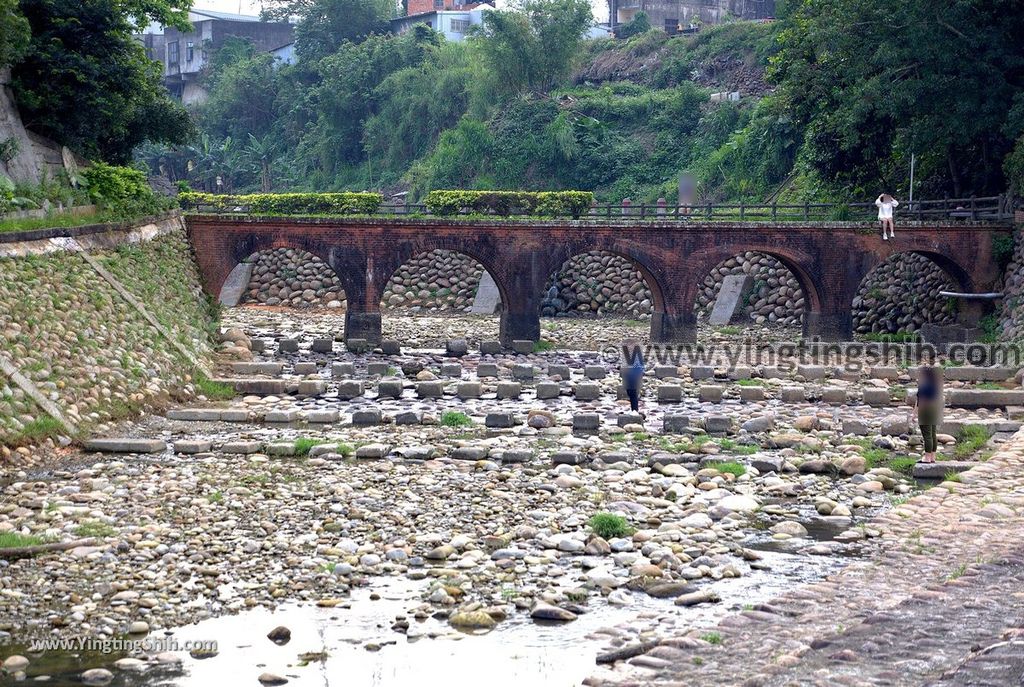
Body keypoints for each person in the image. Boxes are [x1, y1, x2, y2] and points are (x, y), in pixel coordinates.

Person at [912, 365, 943, 463]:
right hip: (934, 409)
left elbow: (920, 401)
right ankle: (933, 457)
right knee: (933, 434)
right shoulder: (935, 385)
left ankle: (927, 457)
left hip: (925, 410)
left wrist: (915, 413)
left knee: (927, 435)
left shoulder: (923, 386)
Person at [623, 346, 645, 414]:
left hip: (633, 377)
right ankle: (633, 410)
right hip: (628, 377)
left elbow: (640, 368)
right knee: (630, 393)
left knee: (633, 394)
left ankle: (635, 410)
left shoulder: (637, 358)